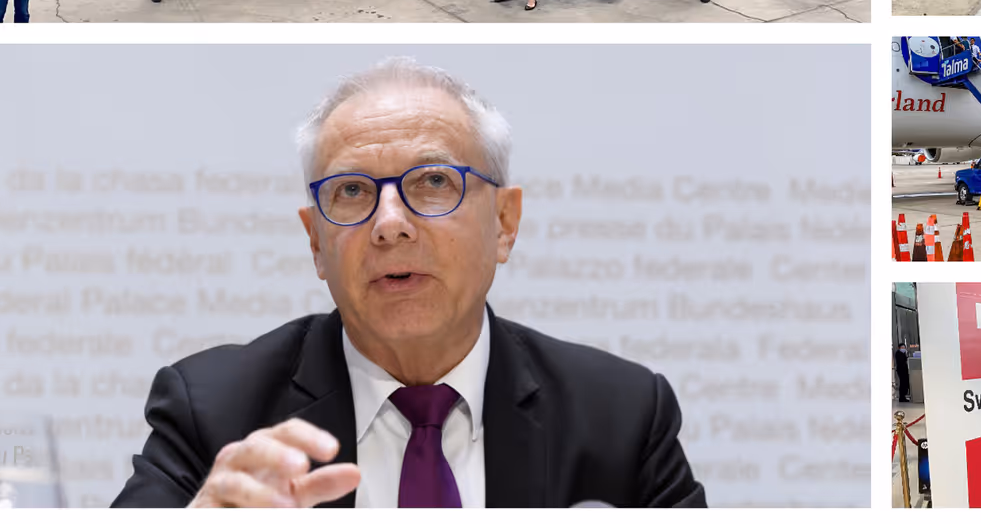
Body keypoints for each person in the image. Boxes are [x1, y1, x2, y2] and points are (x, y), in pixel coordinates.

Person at [110, 57, 706, 508]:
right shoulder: (213, 414)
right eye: (351, 191)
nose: (389, 224)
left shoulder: (623, 417)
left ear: (505, 223)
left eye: (434, 182)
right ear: (316, 242)